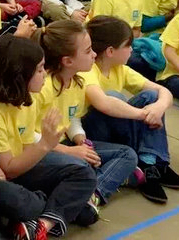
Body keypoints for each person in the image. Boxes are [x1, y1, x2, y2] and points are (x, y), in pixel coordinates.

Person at [0, 36, 97, 239]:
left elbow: (20, 155)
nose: (44, 75)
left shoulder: (26, 99)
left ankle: (41, 224)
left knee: (83, 173)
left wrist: (44, 148)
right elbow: (9, 168)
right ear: (19, 75)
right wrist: (44, 145)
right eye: (40, 70)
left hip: (14, 166)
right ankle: (49, 206)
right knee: (22, 203)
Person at [34, 20, 138, 211]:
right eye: (88, 51)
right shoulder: (43, 88)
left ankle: (93, 194)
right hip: (42, 151)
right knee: (82, 167)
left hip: (66, 143)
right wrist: (68, 151)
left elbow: (72, 116)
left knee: (127, 154)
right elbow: (29, 138)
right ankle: (87, 191)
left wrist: (80, 139)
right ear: (67, 61)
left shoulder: (77, 82)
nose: (94, 54)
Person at [85, 16, 179, 204]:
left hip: (117, 130)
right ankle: (145, 162)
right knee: (115, 97)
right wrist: (144, 114)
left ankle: (153, 163)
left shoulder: (120, 69)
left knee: (153, 97)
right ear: (110, 51)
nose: (132, 49)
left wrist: (157, 108)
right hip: (94, 134)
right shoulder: (88, 70)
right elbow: (103, 103)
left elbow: (163, 91)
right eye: (128, 45)